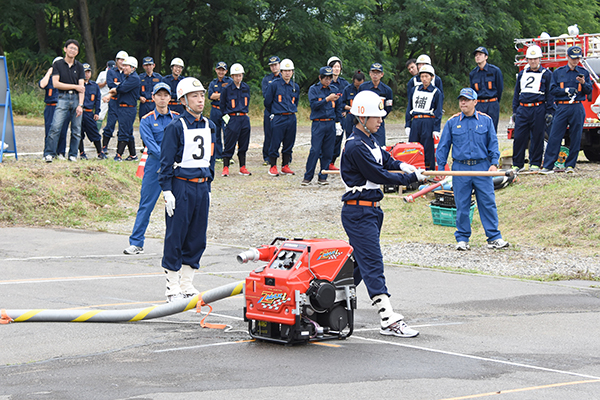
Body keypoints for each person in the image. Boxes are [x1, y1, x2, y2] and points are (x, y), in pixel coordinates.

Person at [340, 90, 425, 338]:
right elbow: (377, 175)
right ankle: (387, 318)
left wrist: (403, 165)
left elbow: (385, 159)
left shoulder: (370, 140)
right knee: (373, 263)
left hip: (372, 212)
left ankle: (328, 302)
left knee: (357, 266)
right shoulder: (355, 146)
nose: (381, 120)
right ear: (362, 118)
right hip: (358, 212)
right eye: (377, 116)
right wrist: (409, 178)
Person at [158, 77, 216, 302]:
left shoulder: (209, 125)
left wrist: (209, 184)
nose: (200, 100)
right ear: (183, 100)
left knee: (197, 235)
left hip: (201, 187)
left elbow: (211, 158)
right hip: (181, 186)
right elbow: (166, 161)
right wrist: (167, 190)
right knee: (176, 234)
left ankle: (187, 283)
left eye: (201, 95)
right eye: (194, 96)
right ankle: (172, 286)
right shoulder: (175, 127)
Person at [436, 88, 509, 251]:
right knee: (462, 204)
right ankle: (462, 239)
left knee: (488, 202)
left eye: (467, 100)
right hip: (460, 168)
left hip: (482, 167)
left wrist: (494, 163)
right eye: (461, 99)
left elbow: (493, 143)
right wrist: (441, 167)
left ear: (475, 102)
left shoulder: (486, 120)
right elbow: (443, 146)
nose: (463, 102)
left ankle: (494, 238)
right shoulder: (452, 122)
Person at [124, 83, 178, 255]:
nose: (162, 98)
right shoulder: (146, 119)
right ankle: (136, 242)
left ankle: (177, 245)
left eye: (165, 95)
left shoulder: (177, 118)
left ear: (170, 98)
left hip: (176, 166)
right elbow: (150, 144)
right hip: (155, 166)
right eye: (159, 95)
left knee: (178, 206)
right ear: (153, 97)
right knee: (146, 204)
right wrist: (167, 160)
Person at [540, 45, 592, 174]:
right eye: (573, 58)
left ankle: (570, 165)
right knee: (555, 136)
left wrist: (583, 83)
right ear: (567, 57)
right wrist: (566, 90)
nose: (575, 61)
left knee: (576, 136)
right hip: (562, 106)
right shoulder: (558, 72)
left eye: (577, 58)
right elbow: (552, 90)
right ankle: (548, 165)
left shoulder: (584, 72)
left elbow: (589, 91)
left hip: (577, 106)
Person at [511, 45, 554, 172]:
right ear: (527, 60)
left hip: (538, 108)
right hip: (523, 108)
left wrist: (549, 111)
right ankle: (517, 164)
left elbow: (550, 94)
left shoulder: (546, 74)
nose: (533, 61)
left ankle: (535, 162)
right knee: (519, 137)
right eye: (530, 59)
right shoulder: (522, 74)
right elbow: (516, 93)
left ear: (539, 59)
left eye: (535, 59)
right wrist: (515, 110)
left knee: (537, 136)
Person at [42, 39, 85, 163]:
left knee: (76, 129)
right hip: (62, 98)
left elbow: (82, 88)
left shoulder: (80, 66)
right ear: (65, 49)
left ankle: (72, 155)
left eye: (75, 49)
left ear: (77, 52)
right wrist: (74, 86)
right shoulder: (58, 64)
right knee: (55, 127)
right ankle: (49, 153)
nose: (73, 50)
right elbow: (56, 84)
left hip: (77, 98)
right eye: (70, 48)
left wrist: (80, 105)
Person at [302, 66, 343, 186]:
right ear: (320, 77)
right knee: (315, 150)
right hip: (318, 123)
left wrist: (338, 122)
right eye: (325, 78)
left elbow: (338, 107)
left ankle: (323, 176)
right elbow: (314, 105)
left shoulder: (334, 89)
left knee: (328, 151)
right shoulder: (313, 89)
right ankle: (308, 177)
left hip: (330, 122)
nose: (327, 80)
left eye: (329, 78)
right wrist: (326, 99)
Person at [263, 58, 299, 176]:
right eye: (285, 71)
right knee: (275, 142)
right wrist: (275, 112)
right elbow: (267, 102)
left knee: (289, 142)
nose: (287, 73)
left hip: (291, 117)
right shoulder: (274, 85)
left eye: (290, 71)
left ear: (292, 72)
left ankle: (285, 165)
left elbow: (296, 101)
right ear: (281, 72)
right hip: (278, 117)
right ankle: (273, 166)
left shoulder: (295, 86)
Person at [405, 65, 443, 170]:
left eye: (426, 76)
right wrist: (408, 124)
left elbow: (438, 111)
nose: (424, 79)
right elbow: (409, 107)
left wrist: (436, 128)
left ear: (432, 77)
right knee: (413, 146)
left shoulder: (436, 92)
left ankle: (428, 170)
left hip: (428, 121)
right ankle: (413, 169)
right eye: (422, 76)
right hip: (416, 120)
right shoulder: (414, 90)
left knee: (427, 146)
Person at [103, 56, 140, 161]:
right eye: (123, 66)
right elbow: (117, 88)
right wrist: (113, 91)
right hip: (123, 108)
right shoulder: (127, 77)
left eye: (126, 66)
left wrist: (113, 90)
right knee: (128, 132)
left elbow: (121, 88)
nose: (123, 68)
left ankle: (118, 155)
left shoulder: (134, 79)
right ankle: (133, 155)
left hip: (128, 109)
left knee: (123, 132)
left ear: (133, 67)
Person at [220, 63, 252, 176]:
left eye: (240, 75)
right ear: (232, 76)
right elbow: (222, 106)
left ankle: (242, 167)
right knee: (229, 143)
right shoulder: (226, 89)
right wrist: (227, 119)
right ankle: (226, 167)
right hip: (232, 118)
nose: (238, 78)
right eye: (236, 75)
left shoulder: (246, 87)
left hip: (244, 118)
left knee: (244, 143)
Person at [39, 56, 69, 159]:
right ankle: (48, 153)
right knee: (49, 130)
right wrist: (49, 73)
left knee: (62, 130)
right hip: (51, 107)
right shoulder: (49, 79)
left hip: (63, 106)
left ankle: (60, 152)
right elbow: (42, 85)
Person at [470, 46, 504, 133]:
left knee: (492, 130)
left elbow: (500, 88)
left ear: (486, 57)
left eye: (480, 54)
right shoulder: (473, 73)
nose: (477, 57)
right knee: (478, 130)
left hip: (492, 104)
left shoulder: (495, 71)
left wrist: (495, 102)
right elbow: (472, 91)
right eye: (476, 55)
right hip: (479, 104)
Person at [358, 63, 393, 146]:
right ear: (370, 74)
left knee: (379, 146)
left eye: (377, 73)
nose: (375, 75)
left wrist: (378, 117)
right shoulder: (363, 87)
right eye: (373, 72)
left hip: (378, 123)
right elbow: (359, 103)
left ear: (382, 74)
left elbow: (388, 107)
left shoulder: (387, 90)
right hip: (364, 121)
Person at [102, 50, 128, 155]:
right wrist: (121, 86)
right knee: (110, 125)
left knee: (123, 126)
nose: (122, 62)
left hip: (124, 102)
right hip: (114, 102)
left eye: (124, 60)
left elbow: (127, 87)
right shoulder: (111, 72)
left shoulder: (128, 72)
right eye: (120, 60)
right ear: (116, 61)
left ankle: (119, 150)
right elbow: (111, 85)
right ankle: (104, 146)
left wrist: (119, 86)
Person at [328, 56, 350, 170]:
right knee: (328, 140)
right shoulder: (326, 82)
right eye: (334, 66)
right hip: (329, 116)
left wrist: (345, 110)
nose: (336, 69)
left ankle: (332, 162)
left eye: (338, 66)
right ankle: (325, 161)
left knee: (338, 139)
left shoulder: (344, 84)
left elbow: (348, 98)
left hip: (341, 116)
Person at [208, 61, 233, 161]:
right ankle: (218, 155)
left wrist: (218, 95)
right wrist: (223, 95)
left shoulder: (230, 81)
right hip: (215, 110)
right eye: (219, 69)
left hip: (226, 111)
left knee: (228, 133)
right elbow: (210, 96)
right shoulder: (213, 83)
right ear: (216, 70)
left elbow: (231, 94)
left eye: (223, 70)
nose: (221, 72)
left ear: (226, 71)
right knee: (215, 133)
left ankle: (228, 156)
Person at [78, 63, 104, 160]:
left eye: (88, 72)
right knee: (79, 134)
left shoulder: (94, 85)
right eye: (85, 72)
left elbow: (98, 100)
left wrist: (97, 112)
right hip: (79, 112)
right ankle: (81, 153)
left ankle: (100, 152)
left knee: (94, 133)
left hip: (89, 113)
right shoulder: (77, 84)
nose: (87, 74)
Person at [261, 56, 281, 165]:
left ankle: (285, 157)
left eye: (275, 64)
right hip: (270, 110)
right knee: (269, 134)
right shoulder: (267, 79)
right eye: (272, 65)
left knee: (281, 135)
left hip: (281, 110)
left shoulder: (285, 77)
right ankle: (267, 156)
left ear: (279, 65)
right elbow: (266, 95)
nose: (274, 67)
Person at [341, 70, 365, 139]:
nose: (358, 88)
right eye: (357, 85)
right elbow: (341, 103)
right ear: (353, 81)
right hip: (350, 116)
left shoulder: (366, 89)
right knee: (350, 137)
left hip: (362, 116)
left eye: (360, 85)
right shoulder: (347, 89)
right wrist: (349, 108)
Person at [138, 57, 163, 122]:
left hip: (155, 104)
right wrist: (139, 97)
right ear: (143, 66)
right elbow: (135, 91)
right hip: (144, 104)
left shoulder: (159, 78)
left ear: (154, 65)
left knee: (156, 122)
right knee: (143, 122)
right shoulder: (140, 78)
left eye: (150, 65)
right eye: (146, 65)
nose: (148, 67)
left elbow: (162, 91)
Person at [96, 60, 115, 130]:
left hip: (112, 97)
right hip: (103, 97)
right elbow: (97, 85)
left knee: (112, 116)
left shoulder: (115, 73)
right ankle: (96, 131)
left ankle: (109, 131)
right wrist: (104, 83)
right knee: (100, 115)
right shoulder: (102, 74)